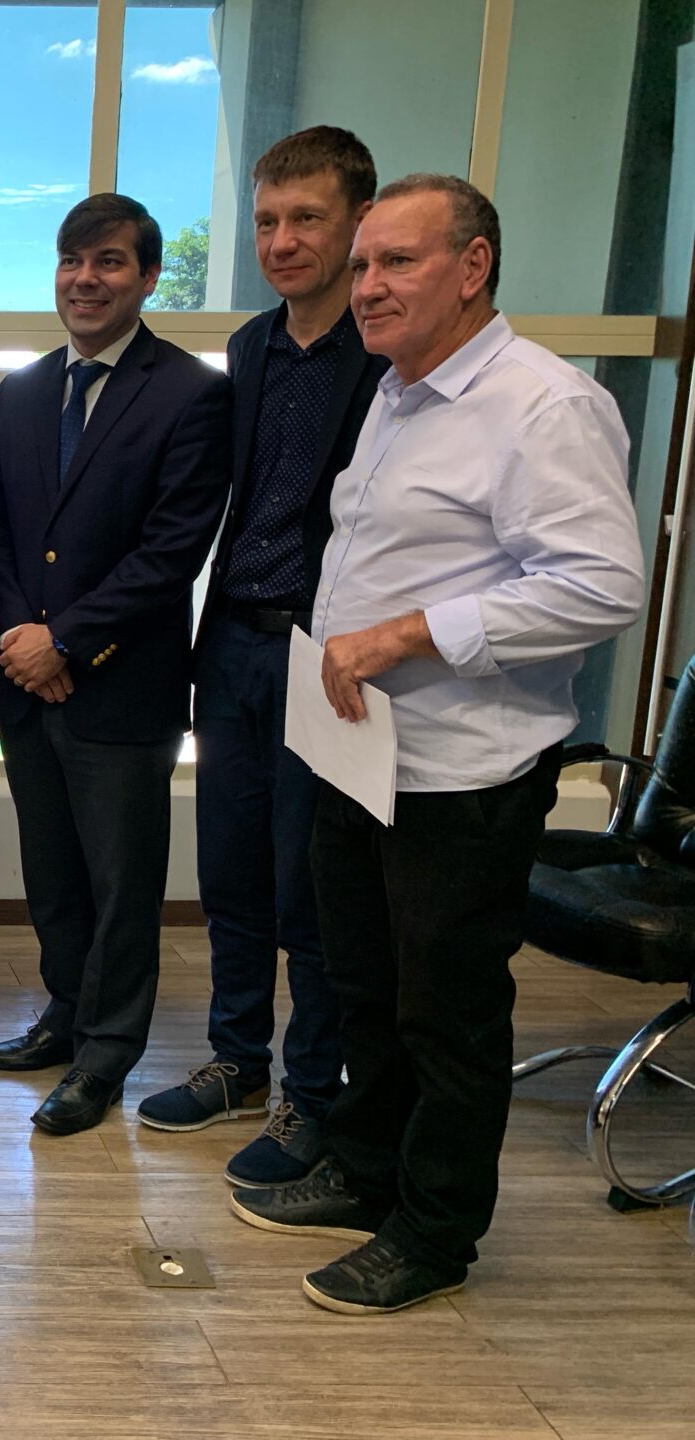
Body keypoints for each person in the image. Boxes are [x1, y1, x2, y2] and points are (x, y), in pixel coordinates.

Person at [230, 176, 645, 1314]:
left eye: (396, 262)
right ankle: (367, 1174)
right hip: (364, 755)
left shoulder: (541, 404)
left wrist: (410, 633)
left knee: (446, 1016)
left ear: (472, 268)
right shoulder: (399, 393)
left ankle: (435, 1231)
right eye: (364, 264)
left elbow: (603, 585)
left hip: (466, 773)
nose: (366, 285)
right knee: (364, 988)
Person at [137, 128, 388, 1187]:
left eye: (306, 220)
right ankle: (237, 1061)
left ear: (358, 225)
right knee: (230, 875)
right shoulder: (248, 349)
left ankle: (310, 1096)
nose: (282, 242)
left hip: (327, 655)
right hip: (233, 639)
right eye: (268, 221)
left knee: (311, 893)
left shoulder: (387, 356)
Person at [0, 194, 231, 1136]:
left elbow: (172, 551)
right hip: (25, 682)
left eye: (110, 262)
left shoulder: (194, 392)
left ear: (149, 277)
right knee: (52, 872)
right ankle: (65, 1014)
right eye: (72, 261)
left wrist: (66, 641)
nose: (86, 279)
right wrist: (21, 637)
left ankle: (107, 1053)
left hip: (122, 688)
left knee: (122, 885)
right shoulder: (23, 390)